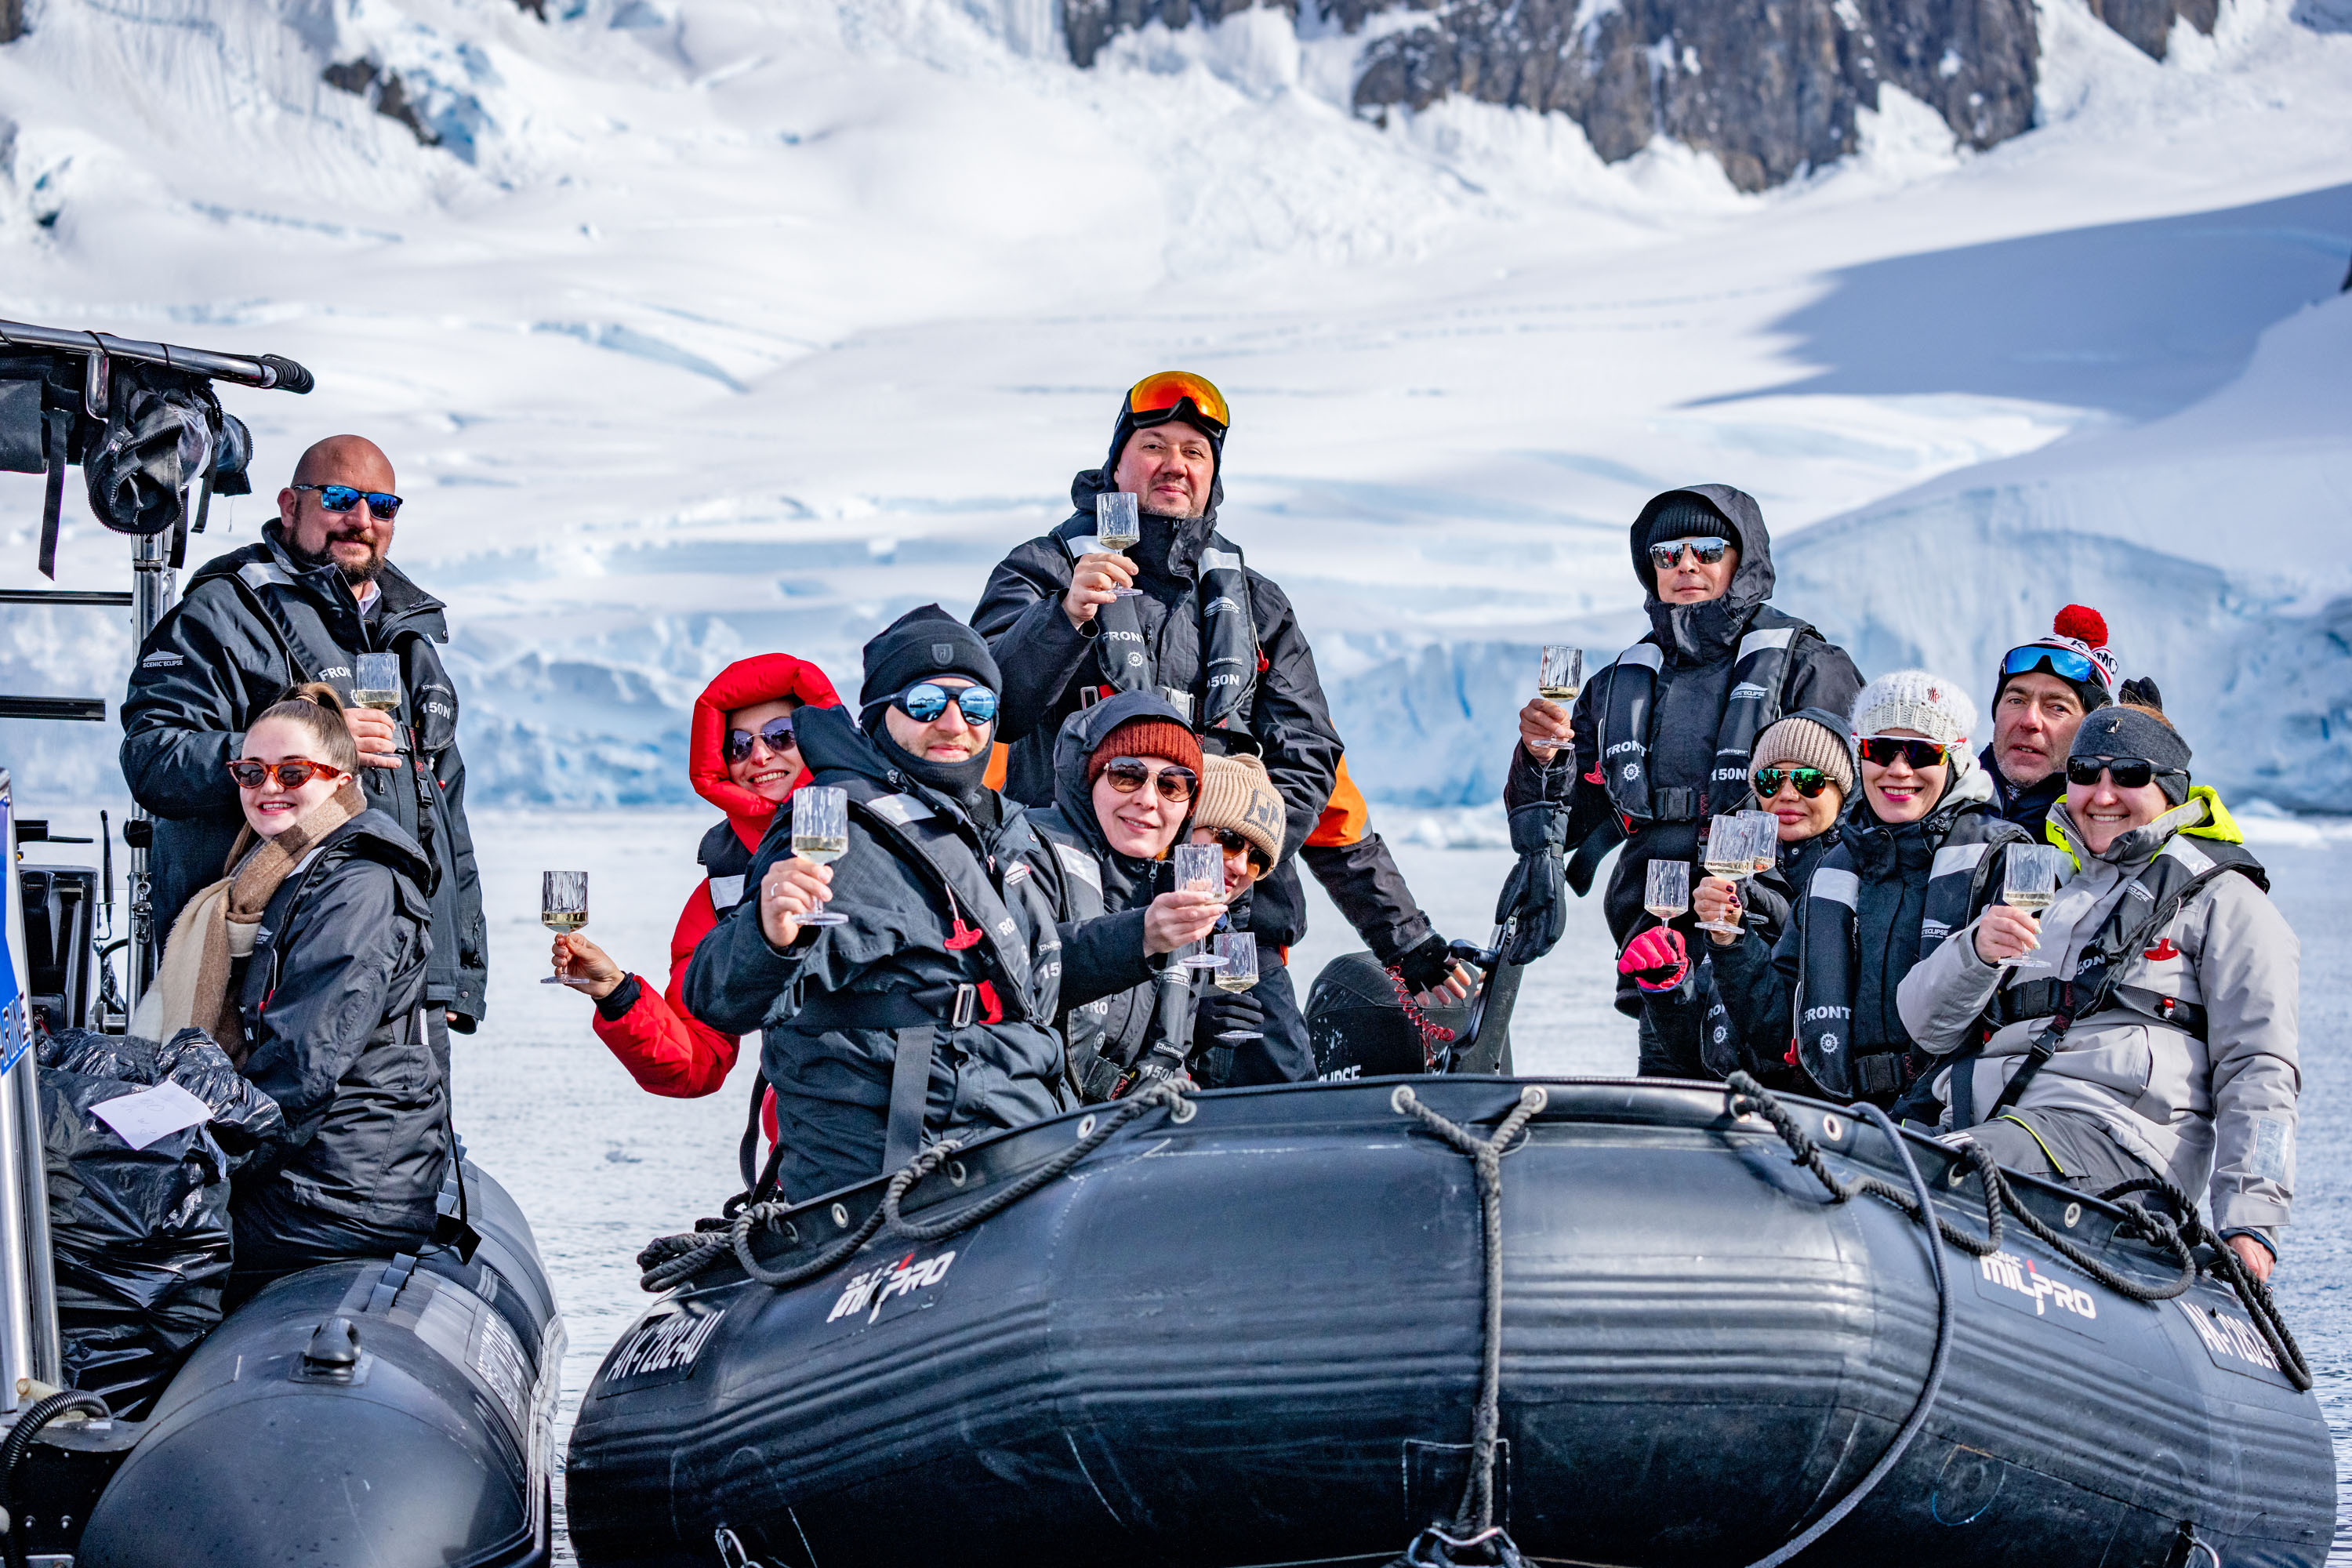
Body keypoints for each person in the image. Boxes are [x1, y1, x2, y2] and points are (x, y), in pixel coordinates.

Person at [684, 607, 1224, 1200]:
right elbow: (718, 997)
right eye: (924, 703)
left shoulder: (999, 827)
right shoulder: (837, 828)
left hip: (1016, 1137)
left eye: (976, 707)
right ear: (878, 715)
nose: (952, 723)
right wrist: (769, 933)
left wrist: (1141, 935)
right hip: (899, 1167)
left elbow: (1028, 974)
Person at [970, 372, 1471, 1009]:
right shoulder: (1040, 573)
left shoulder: (1257, 605)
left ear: (1213, 476)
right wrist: (1062, 618)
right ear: (1116, 465)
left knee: (1271, 1094)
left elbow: (1314, 767)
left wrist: (1242, 854)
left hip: (1231, 929)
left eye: (1194, 452)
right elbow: (981, 716)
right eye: (1154, 445)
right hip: (1077, 920)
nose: (1174, 464)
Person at [1898, 700, 2296, 1282]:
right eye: (2085, 774)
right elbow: (1924, 1024)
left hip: (2119, 1145)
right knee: (1867, 1154)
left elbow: (2259, 1067)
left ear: (2172, 790)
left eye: (2129, 776)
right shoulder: (2045, 889)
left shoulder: (2228, 903)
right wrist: (1976, 951)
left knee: (1934, 1172)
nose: (2102, 795)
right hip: (1997, 1124)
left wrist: (2250, 1224)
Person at [121, 435, 488, 1060]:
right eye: (341, 499)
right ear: (290, 505)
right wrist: (294, 752)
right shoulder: (224, 613)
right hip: (269, 976)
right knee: (272, 1147)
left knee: (402, 1148)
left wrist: (463, 972)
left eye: (383, 506)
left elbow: (443, 808)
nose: (362, 520)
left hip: (405, 975)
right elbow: (156, 759)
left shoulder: (410, 637)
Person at [1507, 485, 1863, 1071]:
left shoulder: (1807, 665)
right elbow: (1566, 823)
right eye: (1667, 555)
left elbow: (1858, 807)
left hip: (1777, 950)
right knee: (1673, 1129)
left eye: (1706, 548)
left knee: (1778, 1125)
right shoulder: (1621, 681)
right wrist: (1541, 760)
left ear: (1741, 559)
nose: (1686, 565)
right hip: (1659, 946)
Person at [132, 684, 447, 1303]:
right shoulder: (284, 871)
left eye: (292, 771)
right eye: (251, 771)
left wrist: (187, 1153)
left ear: (339, 778)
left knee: (125, 1243)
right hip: (309, 1170)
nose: (267, 786)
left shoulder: (358, 886)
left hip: (341, 1191)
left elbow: (301, 1070)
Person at [1672, 673, 2026, 1106]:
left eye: (1921, 752)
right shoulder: (1835, 868)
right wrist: (1730, 941)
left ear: (1953, 760)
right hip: (1844, 1117)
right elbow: (1778, 1030)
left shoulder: (1997, 856)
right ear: (1862, 758)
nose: (1898, 769)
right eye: (1879, 750)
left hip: (1953, 1118)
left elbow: (2016, 1020)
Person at [550, 655, 840, 1158]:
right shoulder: (727, 889)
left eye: (781, 735)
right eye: (738, 744)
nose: (760, 756)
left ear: (819, 735)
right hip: (816, 1156)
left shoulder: (896, 834)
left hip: (952, 1134)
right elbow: (696, 1061)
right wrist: (615, 993)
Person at [1614, 709, 1853, 1080]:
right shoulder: (1725, 873)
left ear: (1845, 789)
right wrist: (1670, 986)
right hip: (1731, 1102)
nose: (1788, 794)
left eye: (1809, 781)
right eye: (1772, 779)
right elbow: (1696, 1051)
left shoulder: (1859, 875)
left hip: (1820, 1108)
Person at [1026, 692, 1211, 1100]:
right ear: (1089, 778)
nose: (1147, 799)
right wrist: (1140, 939)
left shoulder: (1179, 890)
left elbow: (1175, 1050)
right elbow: (1018, 974)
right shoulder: (1026, 854)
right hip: (1036, 1120)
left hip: (1135, 1131)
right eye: (1127, 775)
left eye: (1172, 785)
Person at [1183, 751, 1308, 1084]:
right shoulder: (1122, 907)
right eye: (1228, 840)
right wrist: (1184, 1026)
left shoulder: (1226, 931)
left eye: (1257, 859)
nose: (1240, 867)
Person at [1981, 605, 2118, 833]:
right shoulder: (1934, 801)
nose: (2030, 720)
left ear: (2091, 731)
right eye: (2016, 700)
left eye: (2057, 707)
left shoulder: (2106, 835)